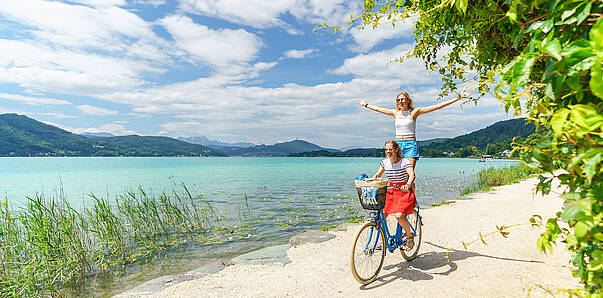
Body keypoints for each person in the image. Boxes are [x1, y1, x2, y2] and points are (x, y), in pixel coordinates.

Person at [358, 87, 474, 169]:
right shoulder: (395, 113)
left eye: (403, 99)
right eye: (398, 100)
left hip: (410, 145)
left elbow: (438, 106)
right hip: (397, 145)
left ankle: (414, 201)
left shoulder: (414, 112)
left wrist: (458, 98)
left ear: (408, 100)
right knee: (397, 172)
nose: (400, 101)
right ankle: (400, 200)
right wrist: (366, 105)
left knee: (409, 174)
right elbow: (379, 109)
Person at [373, 140, 416, 250]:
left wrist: (407, 184)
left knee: (399, 216)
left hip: (404, 191)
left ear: (397, 150)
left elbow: (412, 175)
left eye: (391, 149)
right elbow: (377, 175)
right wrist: (369, 181)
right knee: (381, 215)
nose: (388, 151)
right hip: (391, 191)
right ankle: (383, 239)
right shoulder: (385, 162)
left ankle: (409, 236)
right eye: (386, 149)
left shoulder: (404, 162)